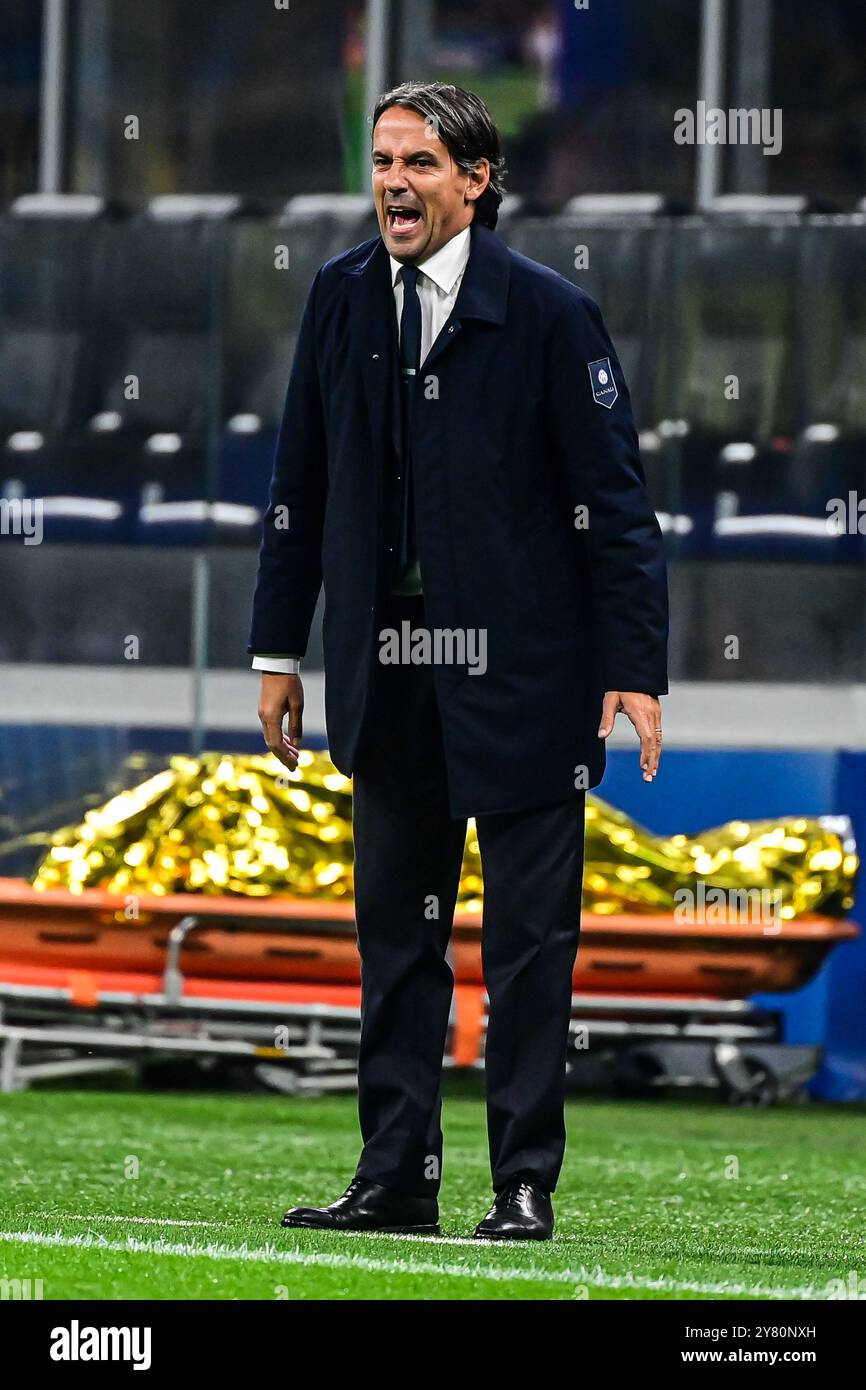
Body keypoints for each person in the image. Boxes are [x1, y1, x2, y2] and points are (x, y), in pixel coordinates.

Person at [249, 81, 668, 1240]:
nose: (392, 183)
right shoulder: (338, 299)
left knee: (530, 948)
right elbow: (299, 488)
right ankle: (394, 1178)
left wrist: (632, 667)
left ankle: (521, 1183)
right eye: (382, 161)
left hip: (528, 679)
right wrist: (277, 650)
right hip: (387, 672)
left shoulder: (547, 312)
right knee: (396, 937)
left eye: (419, 164)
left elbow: (616, 507)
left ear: (477, 182)